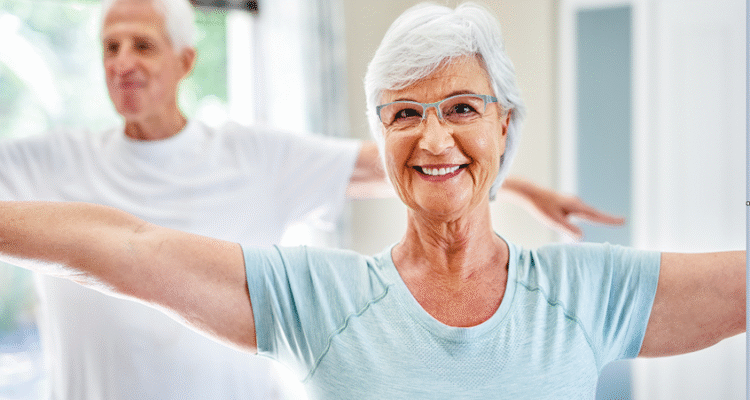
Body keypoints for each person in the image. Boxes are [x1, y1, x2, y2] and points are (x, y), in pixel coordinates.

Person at [0, 1, 744, 399]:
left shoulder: (589, 290)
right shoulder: (317, 297)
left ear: (504, 123)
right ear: (381, 139)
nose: (433, 138)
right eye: (404, 113)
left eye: (461, 107)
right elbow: (130, 249)